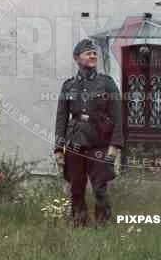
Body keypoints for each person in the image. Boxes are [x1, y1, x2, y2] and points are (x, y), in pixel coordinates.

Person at [54, 38, 123, 227]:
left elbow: (117, 115)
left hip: (99, 142)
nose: (93, 56)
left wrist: (115, 145)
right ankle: (79, 223)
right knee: (76, 187)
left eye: (94, 53)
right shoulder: (68, 86)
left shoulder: (107, 83)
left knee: (100, 188)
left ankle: (103, 226)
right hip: (75, 142)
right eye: (88, 53)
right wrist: (59, 149)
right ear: (77, 58)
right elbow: (61, 118)